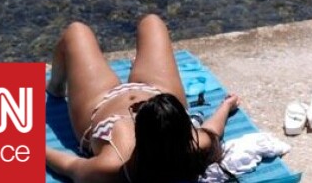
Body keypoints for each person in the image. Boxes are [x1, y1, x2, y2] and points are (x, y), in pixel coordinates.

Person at [44, 14, 238, 183]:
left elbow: (69, 166)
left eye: (136, 113)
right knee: (152, 22)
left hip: (99, 103)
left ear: (139, 134)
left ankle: (56, 87)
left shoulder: (113, 166)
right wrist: (226, 106)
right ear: (184, 128)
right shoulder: (192, 146)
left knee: (76, 31)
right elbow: (213, 129)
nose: (135, 106)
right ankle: (139, 68)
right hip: (154, 88)